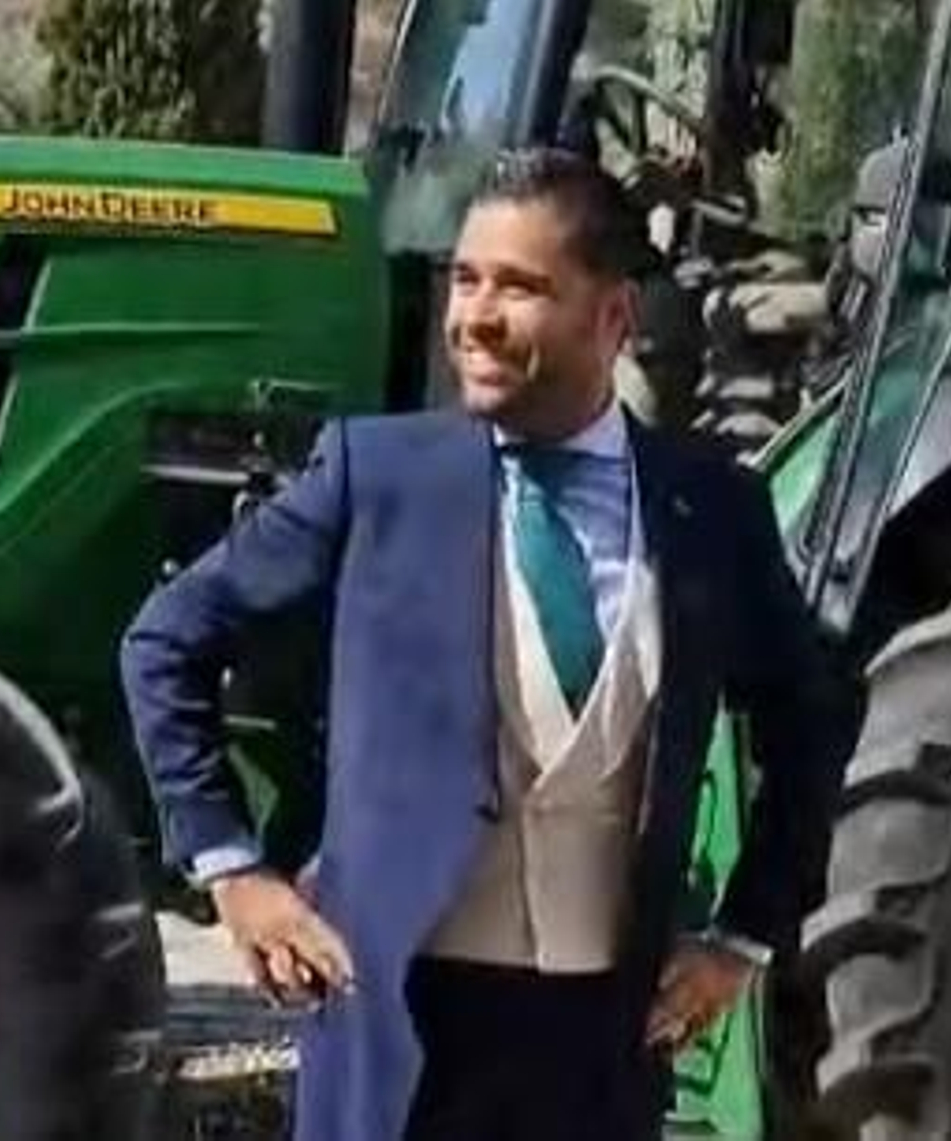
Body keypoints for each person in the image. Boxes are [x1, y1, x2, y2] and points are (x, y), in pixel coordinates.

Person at [120, 148, 856, 1141]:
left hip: (601, 1044)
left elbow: (807, 722)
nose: (472, 315)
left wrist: (745, 933)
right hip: (395, 1031)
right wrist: (234, 871)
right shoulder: (374, 475)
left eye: (518, 286)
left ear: (613, 318)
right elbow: (166, 642)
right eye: (466, 279)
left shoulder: (712, 504)